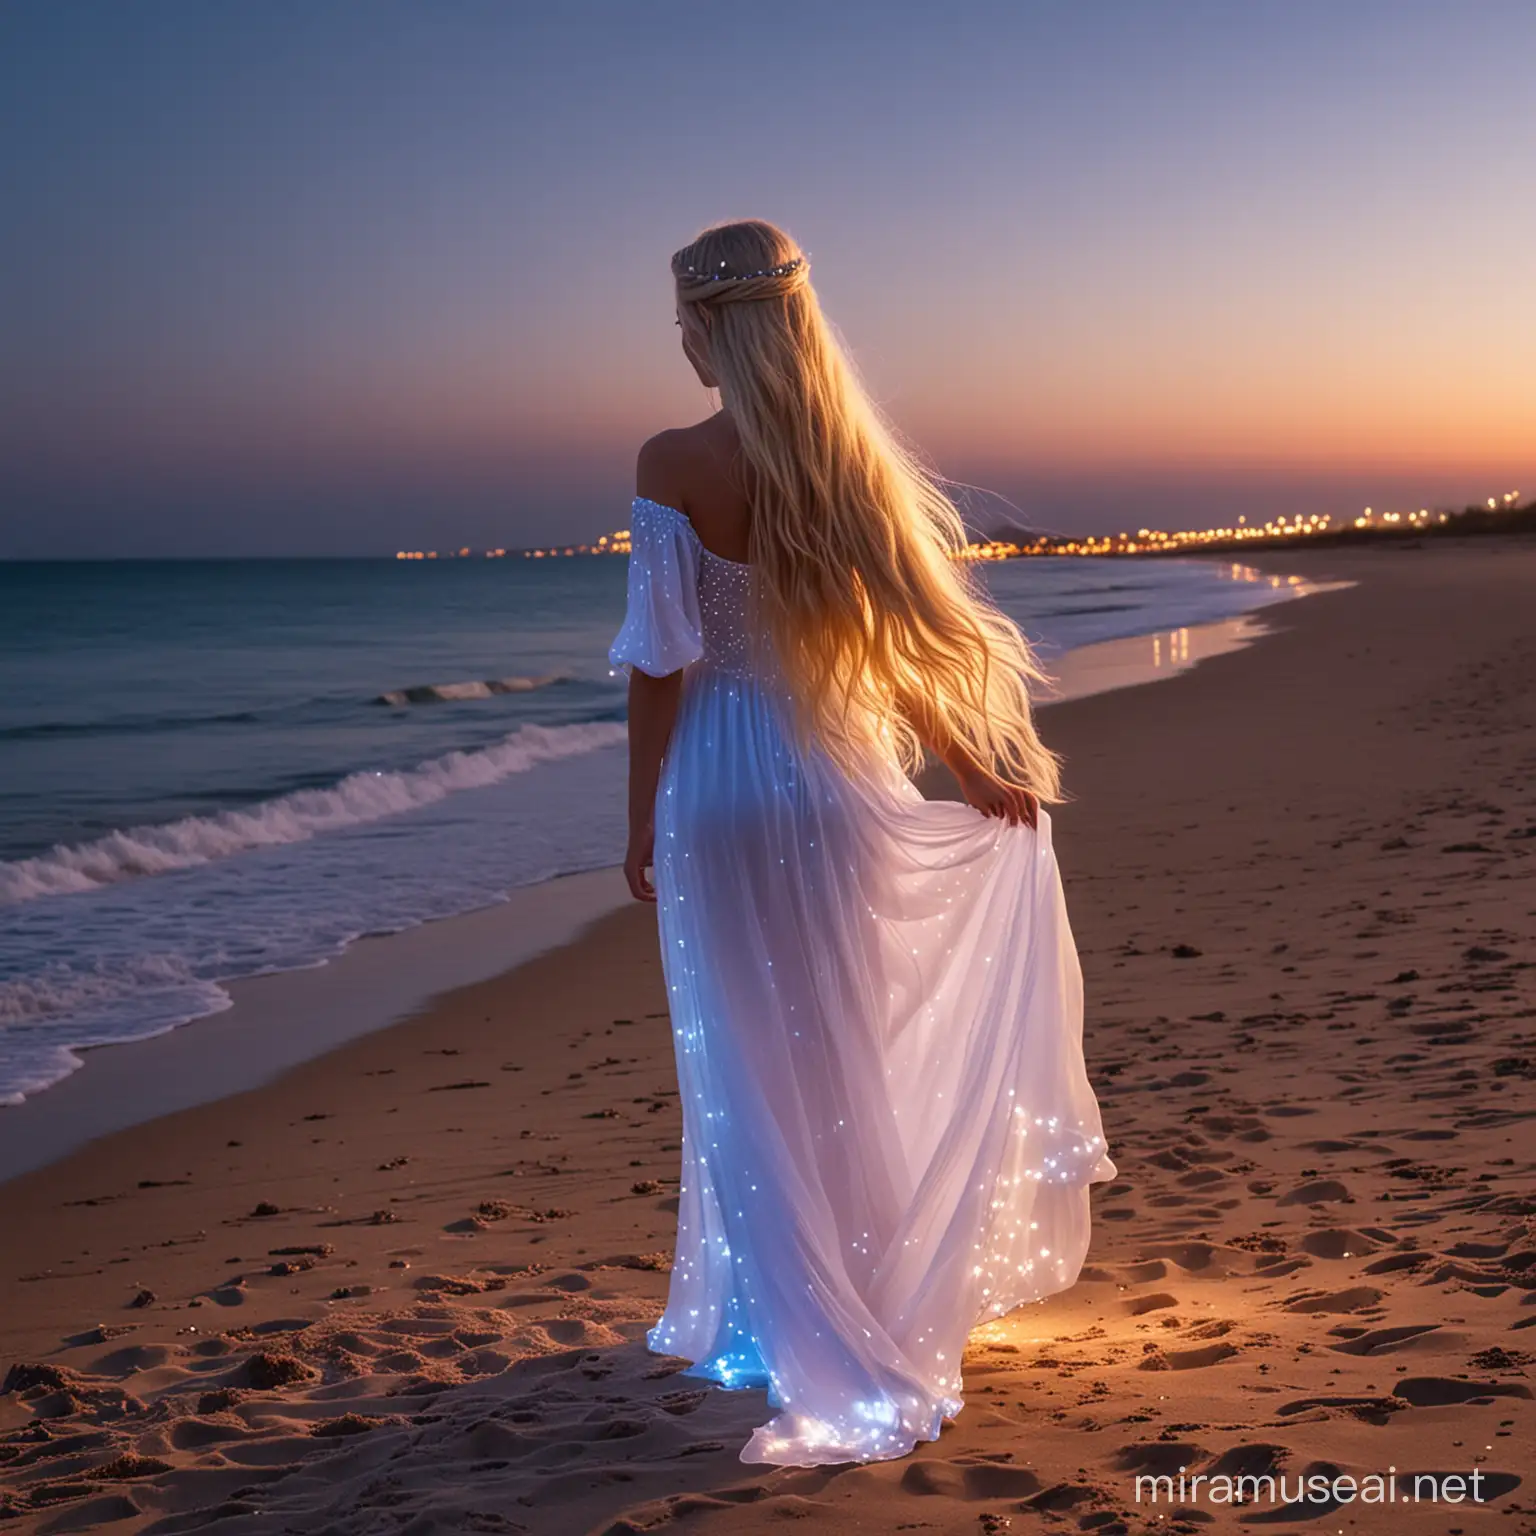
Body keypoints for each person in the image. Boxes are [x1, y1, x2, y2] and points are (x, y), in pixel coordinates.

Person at [608, 218, 1114, 1468]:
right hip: (831, 781)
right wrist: (969, 764)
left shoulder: (671, 458)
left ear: (705, 330)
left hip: (718, 789)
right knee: (849, 1050)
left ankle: (793, 1329)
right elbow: (904, 640)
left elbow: (661, 662)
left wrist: (636, 821)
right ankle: (877, 1300)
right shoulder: (849, 465)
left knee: (750, 1067)